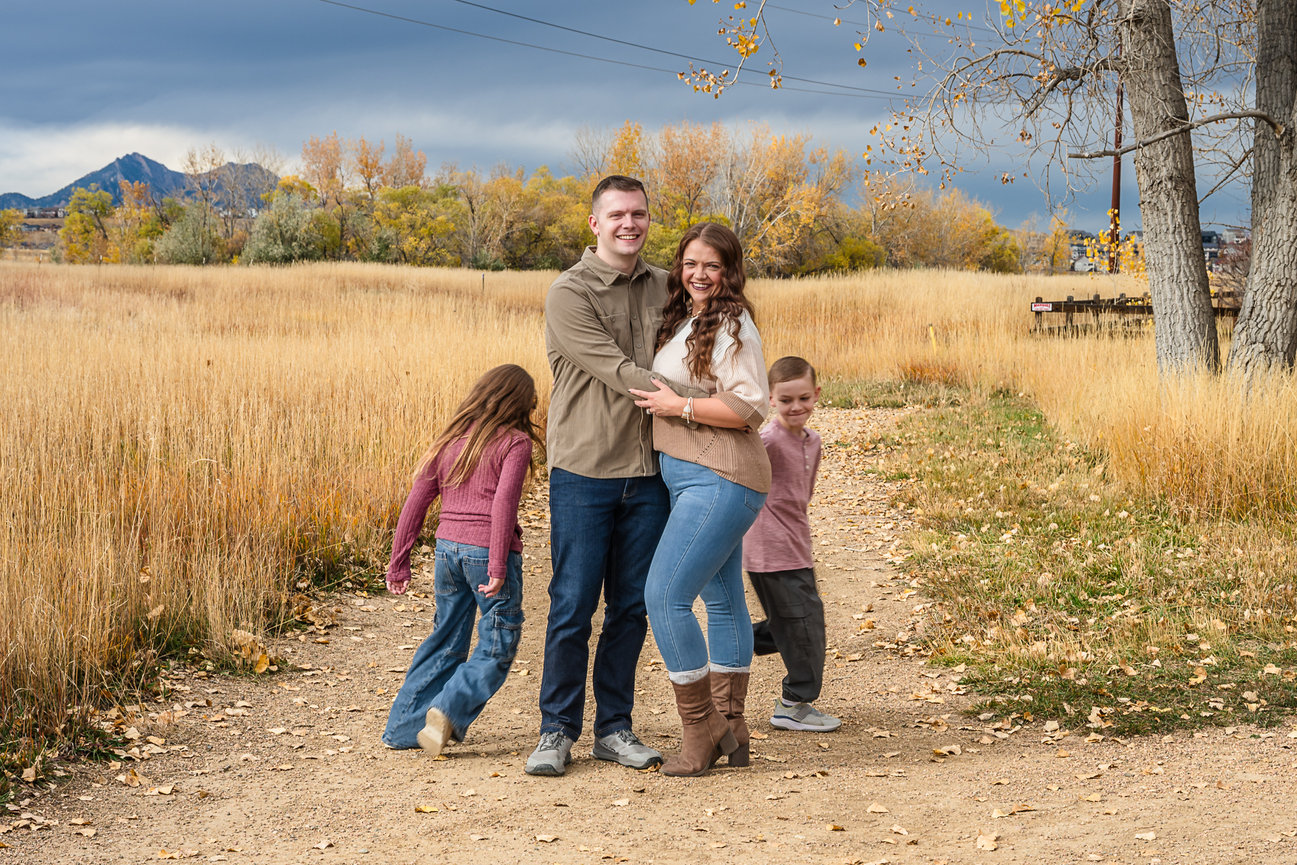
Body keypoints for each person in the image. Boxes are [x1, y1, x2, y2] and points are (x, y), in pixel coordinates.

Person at [529, 175, 704, 777]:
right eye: (618, 215)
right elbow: (623, 372)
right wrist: (720, 404)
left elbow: (711, 327)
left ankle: (614, 729)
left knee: (631, 606)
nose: (630, 224)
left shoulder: (666, 285)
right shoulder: (568, 293)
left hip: (651, 472)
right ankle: (556, 731)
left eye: (640, 215)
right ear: (594, 223)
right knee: (573, 604)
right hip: (585, 470)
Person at [629, 222, 771, 777]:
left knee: (663, 597)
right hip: (700, 476)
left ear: (729, 271)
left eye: (711, 265)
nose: (699, 274)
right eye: (690, 263)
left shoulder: (733, 322)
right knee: (721, 598)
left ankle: (701, 726)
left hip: (719, 476)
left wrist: (677, 407)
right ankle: (732, 726)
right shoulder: (692, 319)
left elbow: (748, 408)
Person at [380, 364, 542, 757]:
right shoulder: (515, 443)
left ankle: (403, 728)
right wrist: (499, 567)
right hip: (487, 553)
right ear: (519, 403)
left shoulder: (451, 439)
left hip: (447, 551)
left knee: (445, 639)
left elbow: (417, 498)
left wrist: (398, 562)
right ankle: (446, 711)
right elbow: (503, 504)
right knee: (498, 642)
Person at [743, 356, 841, 733]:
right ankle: (793, 704)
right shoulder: (766, 441)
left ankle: (731, 641)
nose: (796, 407)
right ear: (771, 399)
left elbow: (804, 495)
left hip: (797, 547)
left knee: (793, 622)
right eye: (785, 400)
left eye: (803, 398)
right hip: (768, 553)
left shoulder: (813, 442)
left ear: (816, 394)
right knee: (805, 626)